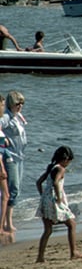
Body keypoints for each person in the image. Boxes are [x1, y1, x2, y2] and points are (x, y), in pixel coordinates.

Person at [35, 146, 82, 263]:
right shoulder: (61, 169)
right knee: (72, 224)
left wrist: (43, 195)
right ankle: (74, 252)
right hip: (54, 200)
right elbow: (56, 182)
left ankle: (40, 257)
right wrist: (59, 197)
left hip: (45, 200)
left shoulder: (51, 168)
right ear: (65, 159)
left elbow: (38, 182)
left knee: (47, 230)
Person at [1, 91, 27, 233]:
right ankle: (6, 222)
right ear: (11, 104)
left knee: (16, 189)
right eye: (18, 103)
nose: (20, 106)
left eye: (22, 103)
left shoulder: (18, 117)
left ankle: (8, 220)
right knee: (13, 188)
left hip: (19, 156)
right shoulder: (6, 117)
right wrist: (3, 139)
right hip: (9, 156)